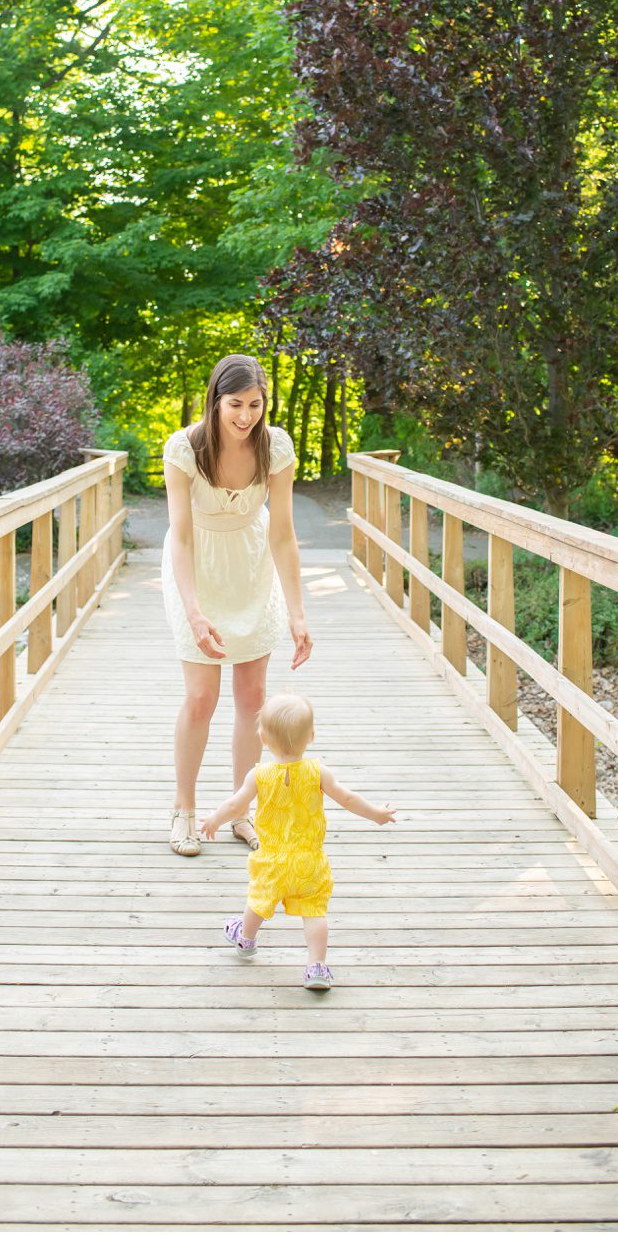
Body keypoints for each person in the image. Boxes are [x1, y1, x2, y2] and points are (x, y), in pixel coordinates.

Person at [161, 354, 312, 857]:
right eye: (235, 404)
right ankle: (184, 810)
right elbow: (180, 538)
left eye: (255, 404)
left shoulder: (276, 447)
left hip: (251, 566)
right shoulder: (185, 448)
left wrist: (297, 612)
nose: (246, 416)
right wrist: (194, 611)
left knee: (252, 698)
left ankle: (240, 812)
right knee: (201, 696)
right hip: (196, 568)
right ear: (216, 400)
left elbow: (284, 534)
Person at [201, 693, 397, 991]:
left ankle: (246, 938)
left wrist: (214, 819)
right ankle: (316, 966)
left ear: (263, 739)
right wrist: (376, 815)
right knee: (314, 912)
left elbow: (234, 806)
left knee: (259, 900)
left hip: (273, 860)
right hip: (309, 861)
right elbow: (347, 798)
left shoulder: (260, 775)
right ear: (312, 736)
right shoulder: (318, 772)